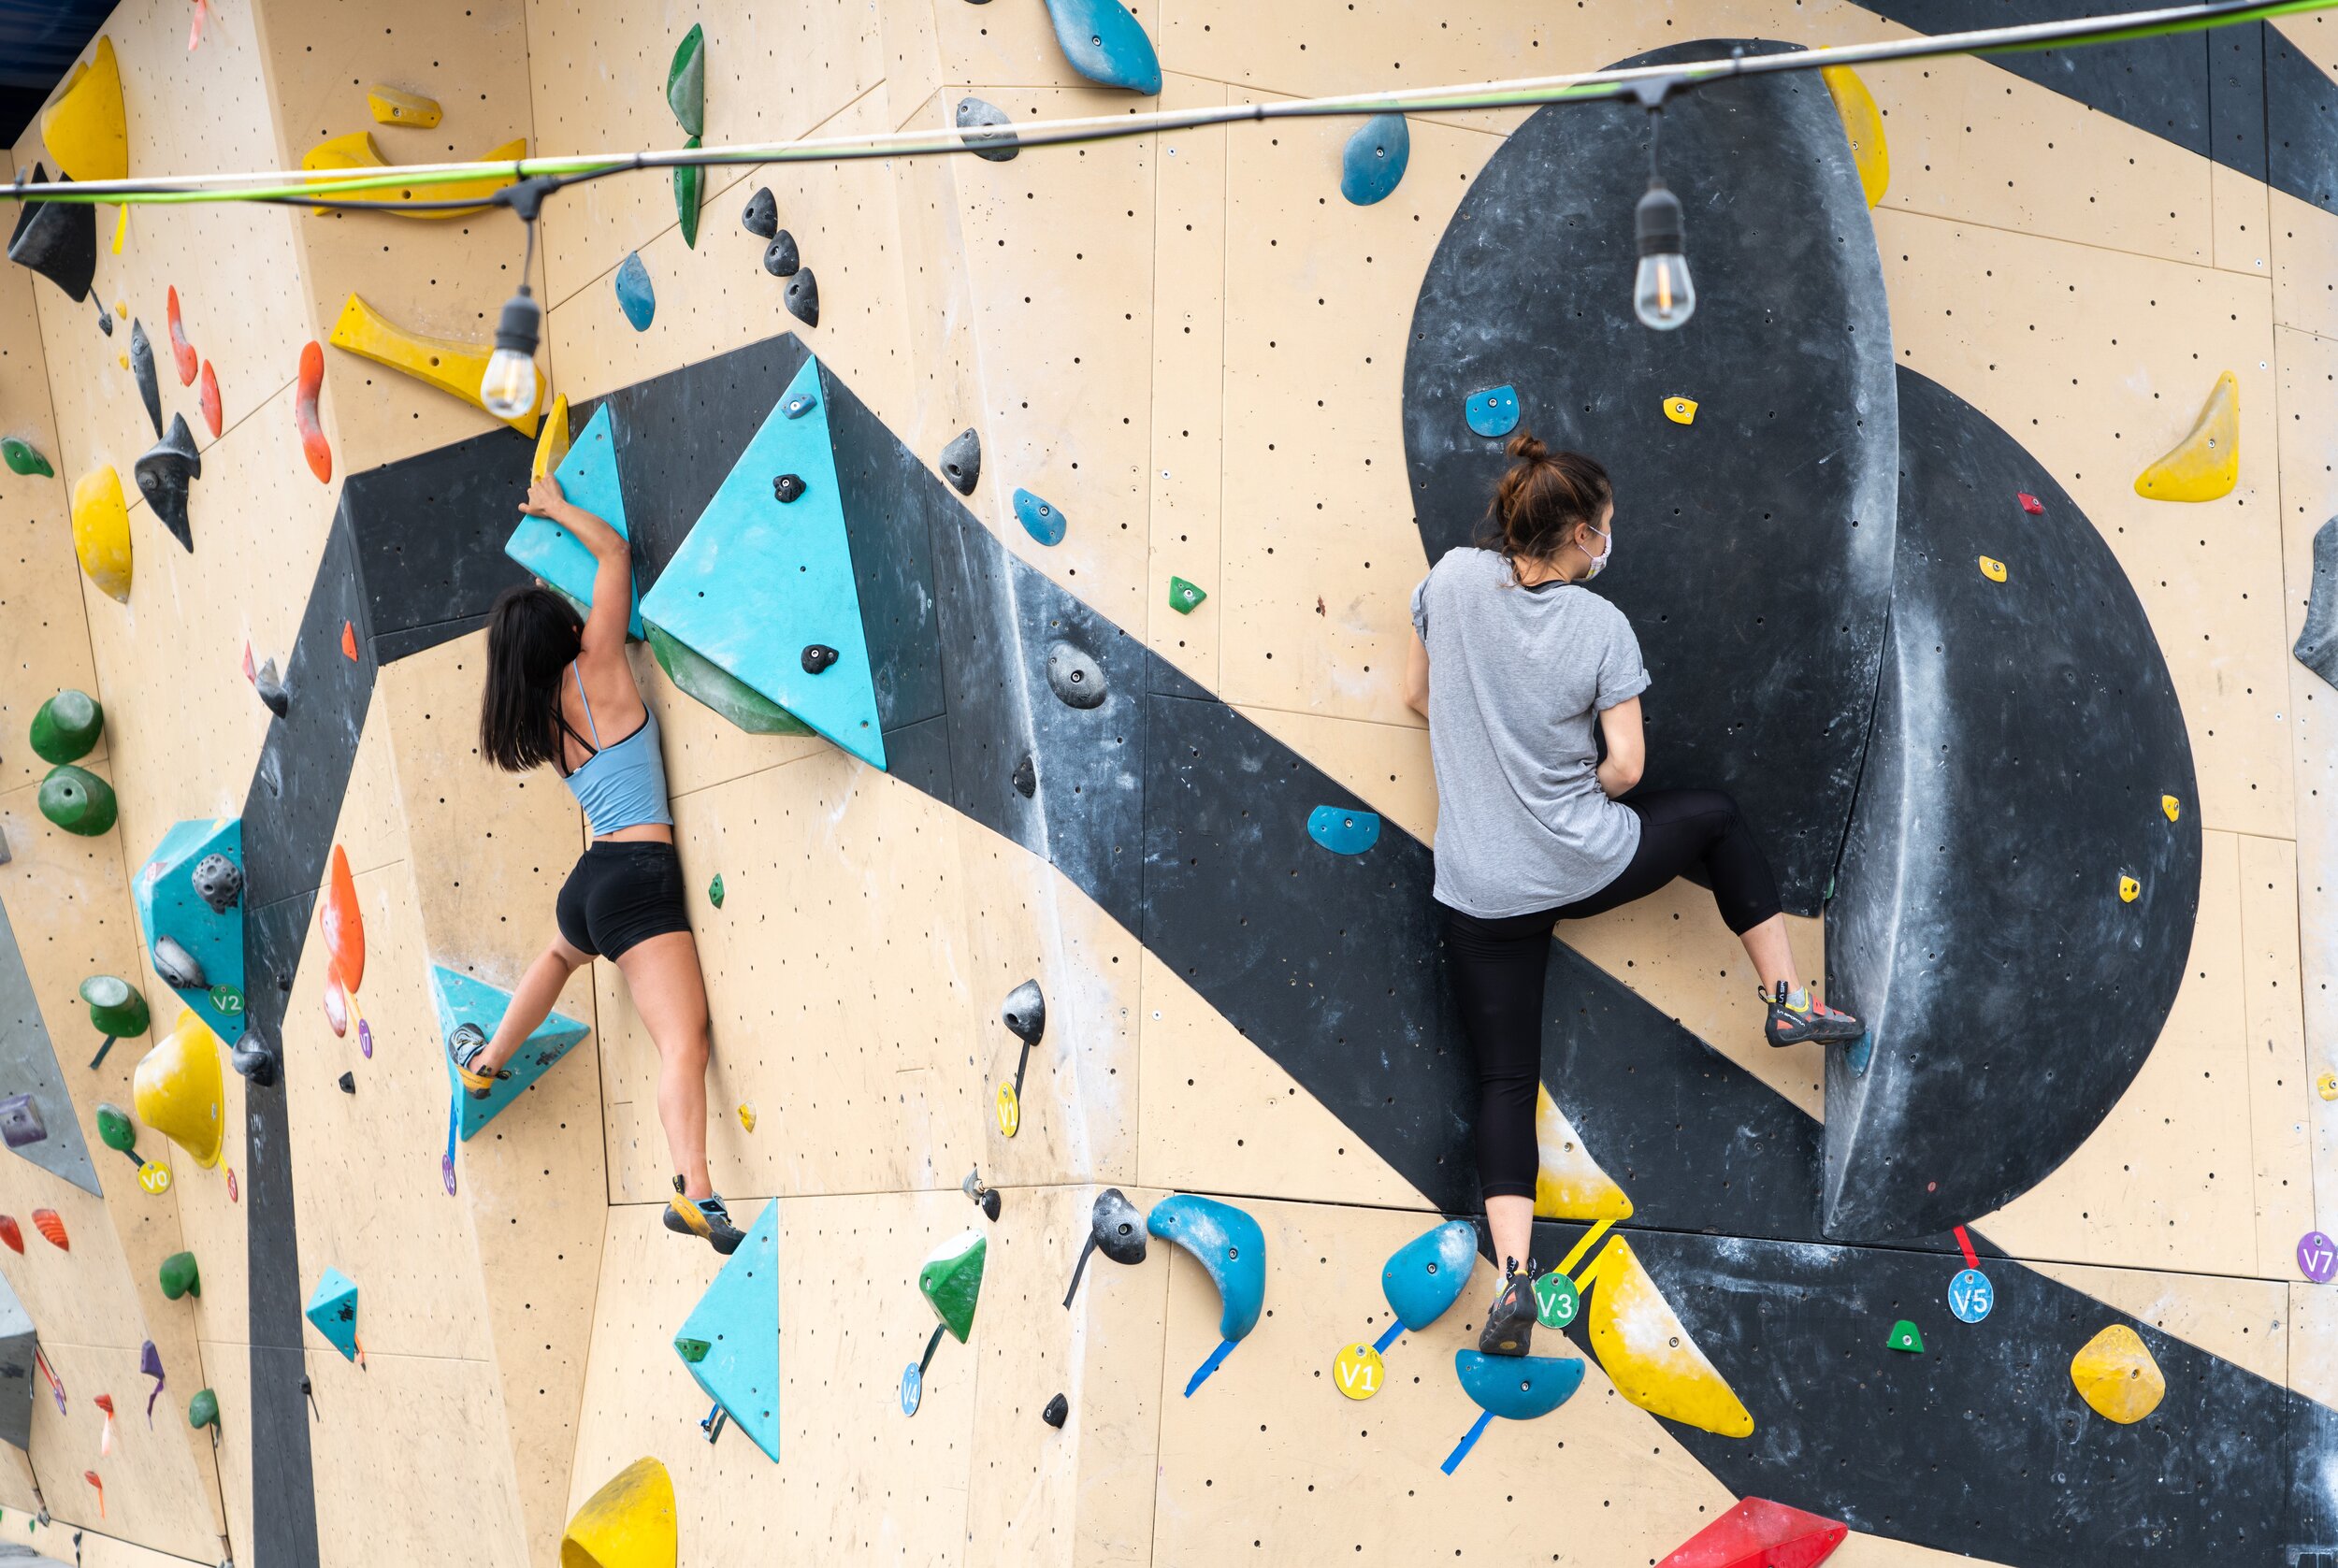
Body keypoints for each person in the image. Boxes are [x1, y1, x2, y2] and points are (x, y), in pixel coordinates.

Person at [1403, 434, 1862, 1356]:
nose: (1608, 543)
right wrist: (1573, 788)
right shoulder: (1600, 627)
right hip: (1578, 858)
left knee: (1503, 1080)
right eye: (1604, 530)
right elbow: (1626, 767)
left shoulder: (1447, 583)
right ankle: (1785, 1001)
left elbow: (1417, 700)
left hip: (1480, 887)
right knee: (1717, 819)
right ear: (1577, 535)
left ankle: (1516, 1285)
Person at [453, 472, 741, 1254]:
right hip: (639, 880)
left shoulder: (540, 717)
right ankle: (697, 1191)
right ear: (561, 629)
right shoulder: (598, 664)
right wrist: (554, 509)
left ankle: (485, 1061)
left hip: (594, 882)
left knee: (557, 954)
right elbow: (614, 553)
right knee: (685, 1041)